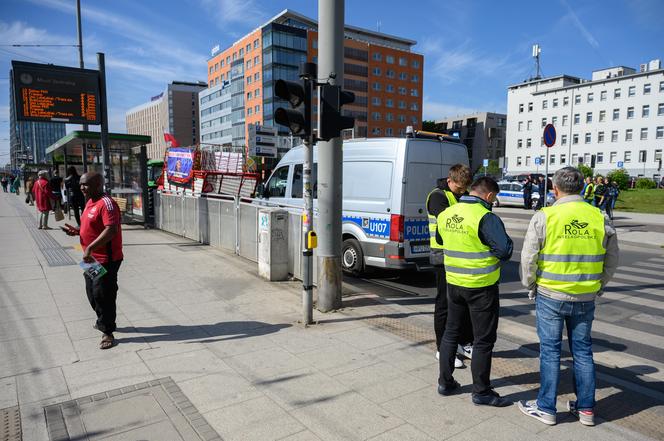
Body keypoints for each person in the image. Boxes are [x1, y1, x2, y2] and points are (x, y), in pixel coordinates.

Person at [517, 167, 618, 426]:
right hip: (585, 297)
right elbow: (612, 259)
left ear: (555, 189)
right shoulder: (600, 216)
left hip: (551, 294)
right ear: (583, 188)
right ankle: (586, 409)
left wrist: (530, 285)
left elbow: (529, 258)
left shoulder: (545, 216)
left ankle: (546, 408)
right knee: (583, 351)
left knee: (550, 351)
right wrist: (598, 285)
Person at [436, 177, 513, 407]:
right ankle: (481, 391)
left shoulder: (447, 214)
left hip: (454, 283)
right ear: (489, 196)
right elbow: (505, 250)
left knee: (451, 332)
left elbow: (441, 239)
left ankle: (445, 382)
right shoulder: (485, 217)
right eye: (495, 198)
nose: (494, 201)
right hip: (481, 286)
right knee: (483, 340)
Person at [62, 172, 123, 350]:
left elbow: (110, 230)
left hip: (106, 259)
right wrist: (78, 231)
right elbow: (91, 226)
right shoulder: (90, 201)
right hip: (91, 259)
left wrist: (90, 248)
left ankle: (107, 331)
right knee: (91, 291)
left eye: (85, 184)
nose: (81, 187)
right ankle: (103, 319)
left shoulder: (107, 204)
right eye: (81, 184)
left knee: (103, 294)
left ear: (98, 185)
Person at [426, 164, 474, 369]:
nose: (462, 192)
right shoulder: (438, 197)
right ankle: (442, 348)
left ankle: (463, 343)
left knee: (462, 303)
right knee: (445, 304)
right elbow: (450, 222)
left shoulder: (458, 195)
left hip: (459, 256)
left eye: (465, 189)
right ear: (450, 180)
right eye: (459, 188)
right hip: (443, 256)